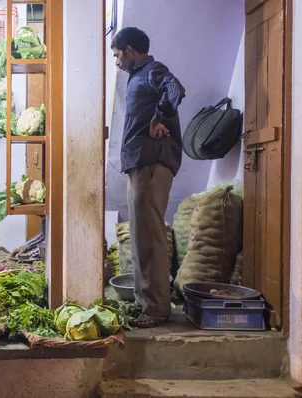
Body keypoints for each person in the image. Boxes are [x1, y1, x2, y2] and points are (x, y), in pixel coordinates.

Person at [111, 27, 186, 328]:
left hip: (153, 163)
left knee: (150, 237)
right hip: (140, 165)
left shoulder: (154, 70)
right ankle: (147, 305)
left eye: (117, 55)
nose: (116, 62)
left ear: (129, 50)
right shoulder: (137, 76)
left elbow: (175, 89)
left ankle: (156, 310)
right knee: (141, 236)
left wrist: (160, 114)